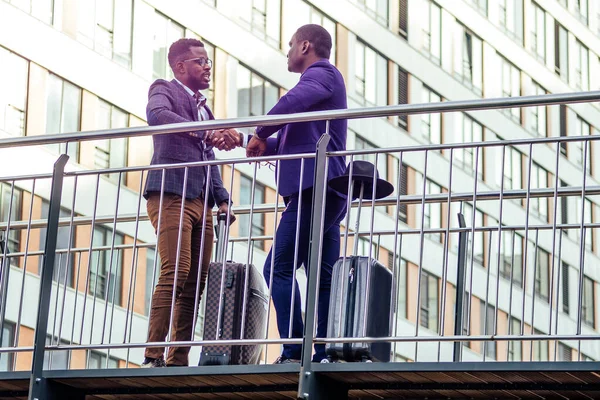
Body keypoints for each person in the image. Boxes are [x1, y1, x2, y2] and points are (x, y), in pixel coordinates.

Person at [217, 24, 348, 363]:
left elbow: (293, 101)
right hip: (325, 188)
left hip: (314, 189)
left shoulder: (322, 74)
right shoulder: (316, 91)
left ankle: (293, 350)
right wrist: (249, 140)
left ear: (305, 46)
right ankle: (324, 351)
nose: (287, 52)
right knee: (323, 276)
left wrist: (260, 131)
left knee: (278, 267)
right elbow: (291, 141)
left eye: (290, 45)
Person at [142, 38, 235, 368]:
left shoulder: (204, 108)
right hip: (171, 194)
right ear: (180, 66)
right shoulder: (164, 88)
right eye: (200, 61)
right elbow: (157, 116)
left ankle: (178, 358)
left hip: (202, 201)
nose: (207, 67)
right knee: (175, 272)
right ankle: (153, 355)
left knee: (196, 282)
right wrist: (204, 131)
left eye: (208, 61)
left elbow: (209, 157)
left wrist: (222, 199)